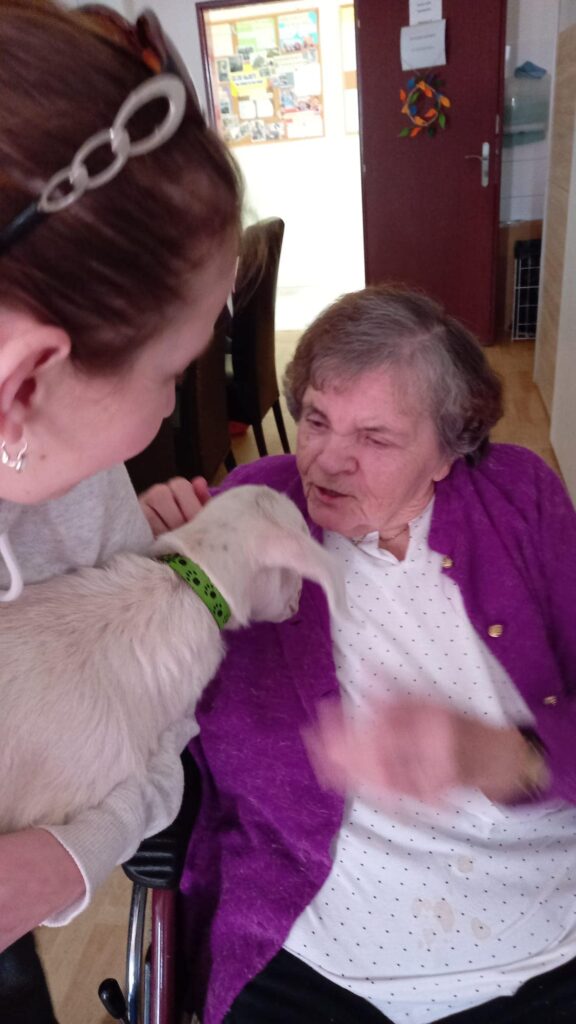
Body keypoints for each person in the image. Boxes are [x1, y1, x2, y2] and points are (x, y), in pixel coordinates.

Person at [150, 286, 576, 1024]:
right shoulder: (255, 508)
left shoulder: (520, 500)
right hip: (312, 951)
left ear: (450, 448)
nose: (327, 461)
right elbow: (149, 689)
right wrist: (156, 571)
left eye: (375, 439)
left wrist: (507, 757)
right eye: (316, 420)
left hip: (539, 938)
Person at [0, 1, 241, 1019]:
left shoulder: (78, 486)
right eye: (173, 373)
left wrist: (70, 854)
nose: (172, 411)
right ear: (24, 383)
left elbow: (161, 739)